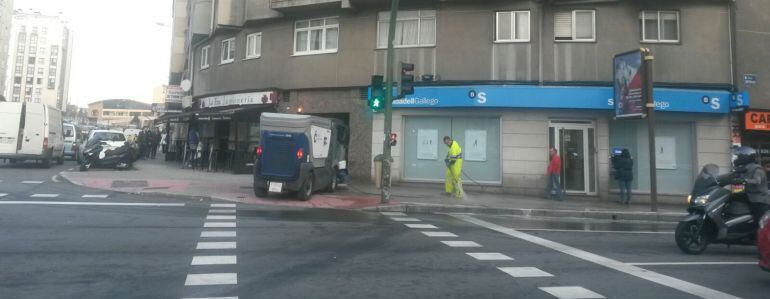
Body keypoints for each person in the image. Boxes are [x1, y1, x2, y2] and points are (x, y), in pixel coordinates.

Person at [732, 146, 770, 221]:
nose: (736, 158)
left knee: (759, 218)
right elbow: (733, 176)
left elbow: (757, 181)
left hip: (758, 198)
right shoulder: (743, 168)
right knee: (731, 197)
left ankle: (758, 230)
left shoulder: (757, 168)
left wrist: (744, 180)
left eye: (739, 156)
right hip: (748, 195)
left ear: (746, 157)